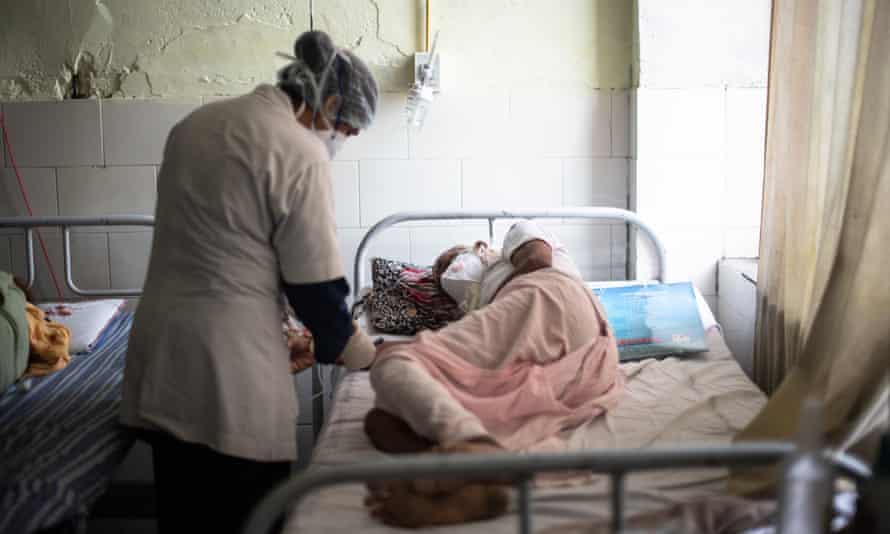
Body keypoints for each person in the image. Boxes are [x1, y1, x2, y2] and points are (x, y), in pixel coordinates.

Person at [120, 31, 379, 534]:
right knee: (248, 517)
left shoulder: (196, 125)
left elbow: (223, 251)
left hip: (164, 361)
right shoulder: (299, 151)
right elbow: (317, 292)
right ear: (326, 104)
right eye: (345, 128)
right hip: (229, 380)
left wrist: (284, 334)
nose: (340, 141)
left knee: (184, 517)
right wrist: (361, 353)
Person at [364, 221, 625, 528]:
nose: (441, 270)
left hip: (550, 299)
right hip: (587, 368)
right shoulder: (476, 296)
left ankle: (474, 448)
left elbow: (537, 258)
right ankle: (473, 475)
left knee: (395, 362)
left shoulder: (510, 242)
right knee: (383, 423)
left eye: (444, 262)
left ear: (480, 249)